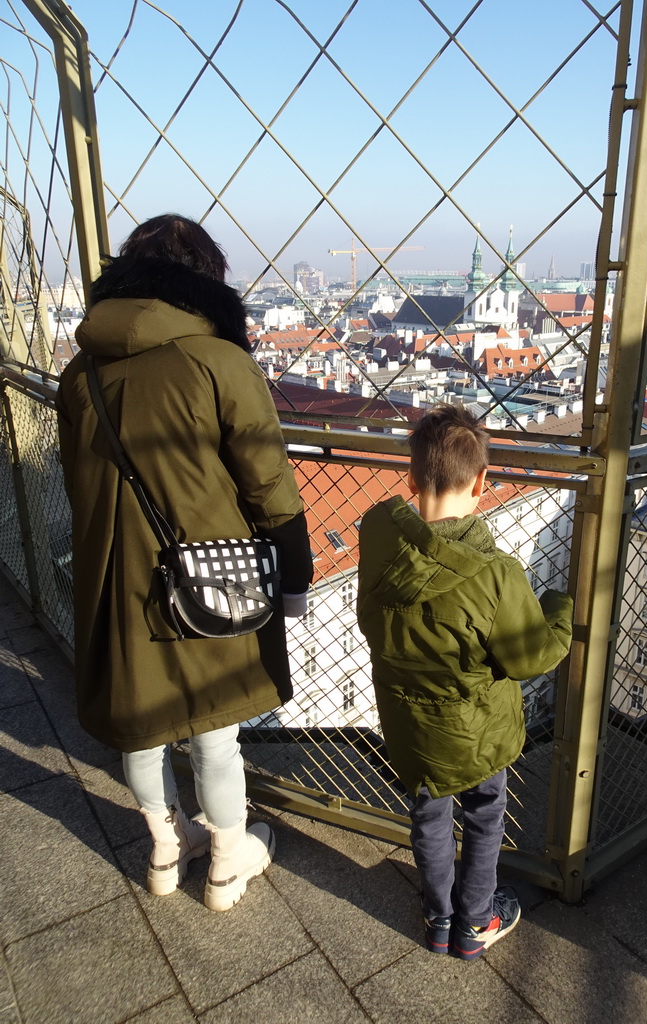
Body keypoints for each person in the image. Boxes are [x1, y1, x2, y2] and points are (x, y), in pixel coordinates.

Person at [56, 214, 313, 912]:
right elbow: (268, 484)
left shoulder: (80, 370)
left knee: (141, 727)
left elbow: (79, 483)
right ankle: (229, 863)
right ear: (205, 280)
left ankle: (167, 849)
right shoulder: (219, 361)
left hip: (115, 577)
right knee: (213, 733)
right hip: (209, 575)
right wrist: (294, 576)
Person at [356, 404, 573, 960]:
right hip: (478, 734)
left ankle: (438, 916)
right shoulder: (496, 572)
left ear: (411, 476)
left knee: (428, 815)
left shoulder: (378, 536)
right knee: (482, 817)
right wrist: (559, 607)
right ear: (481, 481)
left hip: (410, 727)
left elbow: (368, 620)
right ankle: (475, 920)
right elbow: (533, 657)